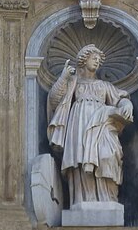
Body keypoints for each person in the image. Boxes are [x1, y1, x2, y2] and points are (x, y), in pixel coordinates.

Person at [47, 44, 132, 205]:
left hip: (102, 125)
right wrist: (64, 77)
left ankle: (107, 199)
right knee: (79, 158)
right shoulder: (74, 83)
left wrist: (126, 104)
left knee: (107, 155)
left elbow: (121, 98)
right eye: (94, 58)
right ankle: (81, 201)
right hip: (78, 124)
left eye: (99, 60)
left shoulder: (104, 85)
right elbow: (55, 101)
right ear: (84, 60)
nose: (97, 62)